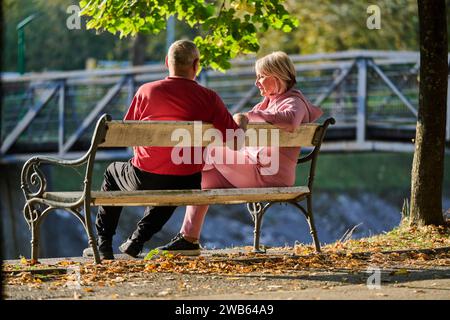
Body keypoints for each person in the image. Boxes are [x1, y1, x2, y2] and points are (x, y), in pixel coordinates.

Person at [83, 40, 245, 260]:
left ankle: (103, 244)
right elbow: (236, 141)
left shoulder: (147, 91)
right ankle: (136, 241)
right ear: (196, 64)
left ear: (167, 62)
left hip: (145, 178)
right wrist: (241, 121)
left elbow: (128, 133)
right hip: (188, 180)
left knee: (113, 171)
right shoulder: (209, 98)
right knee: (174, 182)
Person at [158, 51, 323, 256]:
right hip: (255, 168)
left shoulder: (294, 101)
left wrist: (248, 116)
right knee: (203, 177)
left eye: (261, 76)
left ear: (277, 76)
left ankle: (169, 174)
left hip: (268, 174)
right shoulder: (268, 104)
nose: (257, 83)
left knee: (207, 150)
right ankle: (188, 238)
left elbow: (290, 121)